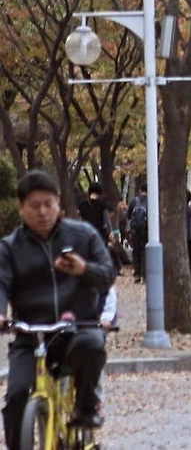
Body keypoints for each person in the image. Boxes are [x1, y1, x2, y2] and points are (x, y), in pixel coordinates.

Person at [0, 170, 116, 442]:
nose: (42, 212)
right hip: (30, 335)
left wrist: (84, 269)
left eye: (48, 204)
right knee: (16, 395)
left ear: (59, 203)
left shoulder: (83, 235)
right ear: (21, 207)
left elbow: (108, 274)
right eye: (34, 206)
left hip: (77, 328)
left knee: (92, 344)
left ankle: (86, 407)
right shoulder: (9, 248)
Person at [77, 182, 112, 249]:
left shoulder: (82, 204)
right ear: (100, 192)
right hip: (99, 234)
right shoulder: (102, 204)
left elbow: (79, 219)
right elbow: (107, 221)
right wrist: (109, 232)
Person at [127, 185, 148, 283]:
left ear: (140, 190)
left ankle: (137, 274)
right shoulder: (151, 201)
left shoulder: (134, 201)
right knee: (145, 251)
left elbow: (128, 215)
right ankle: (144, 275)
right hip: (146, 230)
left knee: (136, 251)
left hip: (135, 230)